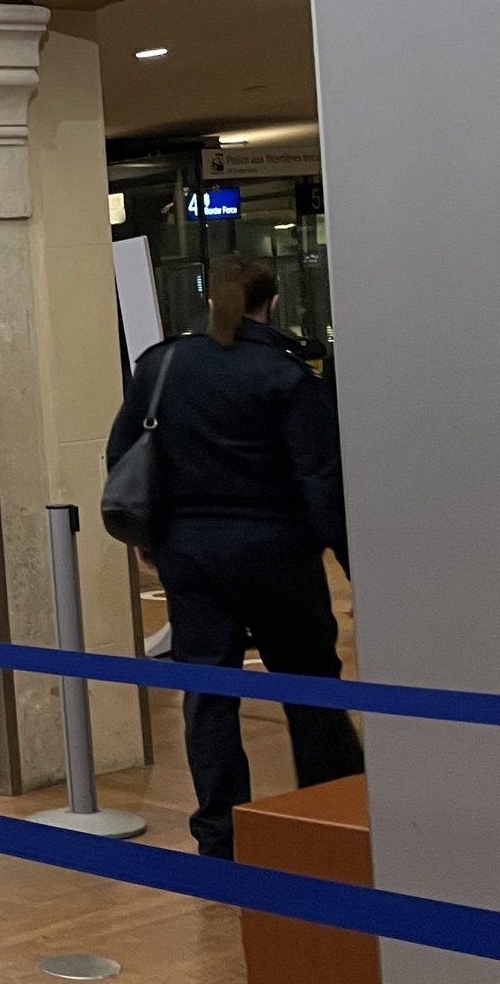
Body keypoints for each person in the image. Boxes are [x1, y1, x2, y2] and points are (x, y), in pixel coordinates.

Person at [106, 256, 361, 857]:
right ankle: (329, 816)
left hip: (189, 554)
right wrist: (355, 567)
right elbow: (322, 481)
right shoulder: (286, 375)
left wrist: (153, 539)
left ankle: (219, 831)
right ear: (269, 304)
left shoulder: (162, 364)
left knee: (208, 690)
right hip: (277, 553)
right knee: (309, 684)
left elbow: (124, 453)